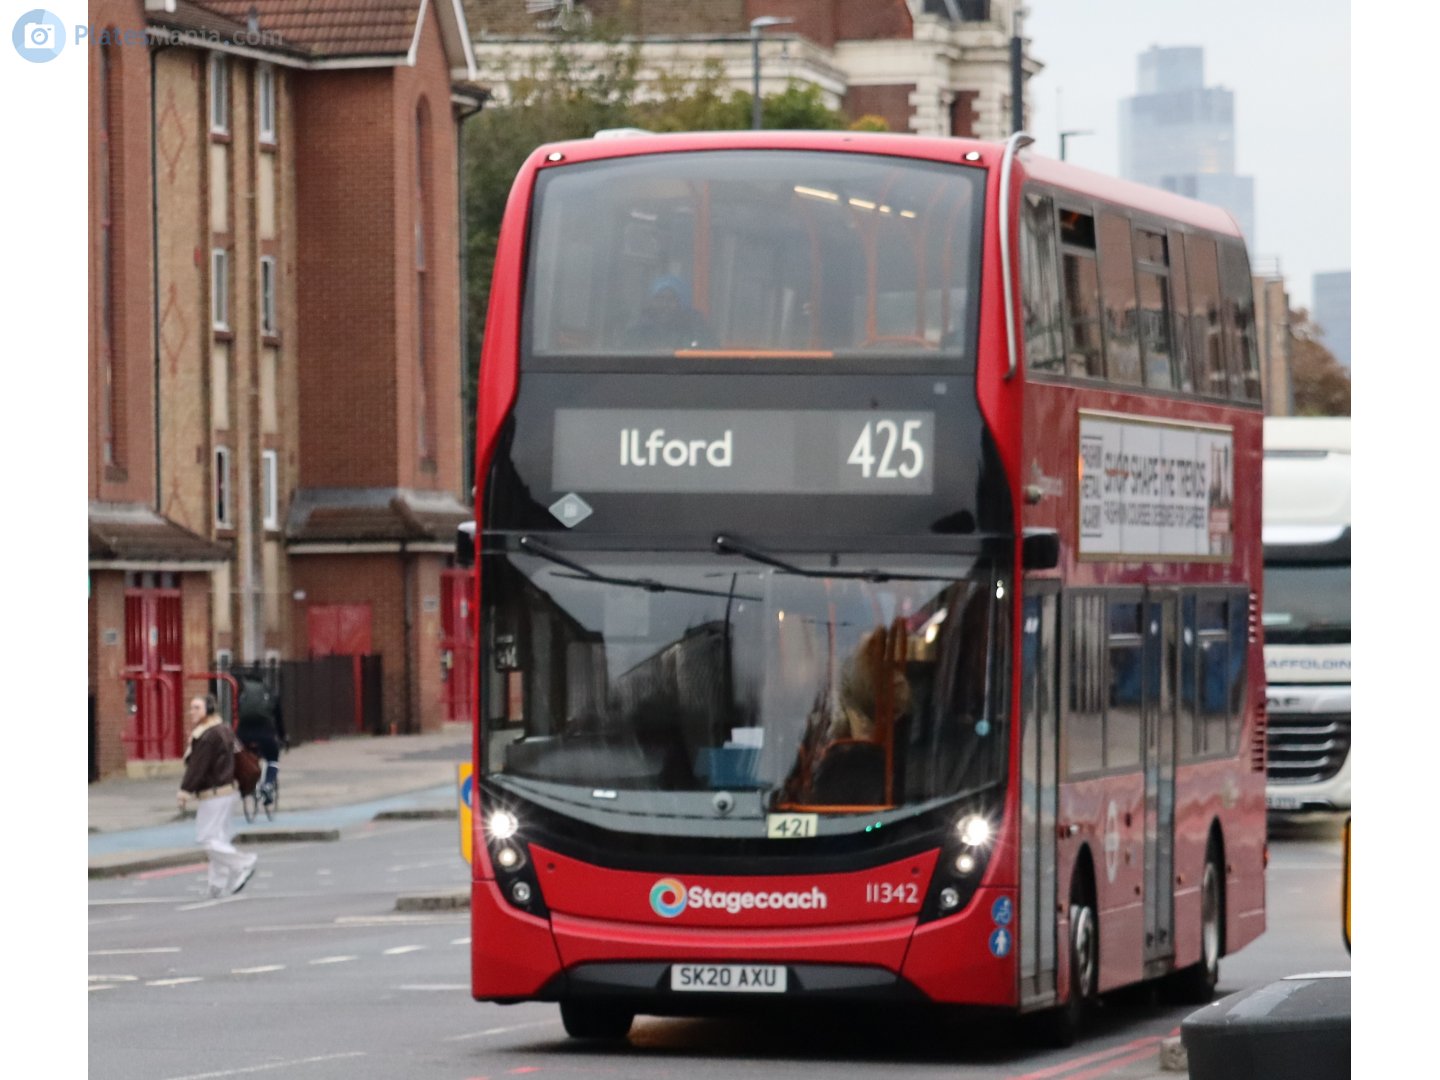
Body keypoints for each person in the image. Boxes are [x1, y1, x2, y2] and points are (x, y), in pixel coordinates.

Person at [177, 695, 258, 898]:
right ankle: (216, 885)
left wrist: (185, 790)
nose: (192, 712)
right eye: (191, 708)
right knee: (218, 838)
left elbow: (198, 766)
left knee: (206, 839)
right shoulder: (224, 729)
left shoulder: (207, 735)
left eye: (197, 708)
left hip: (214, 793)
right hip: (228, 791)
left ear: (209, 709)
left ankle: (243, 863)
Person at [624, 274, 713, 350]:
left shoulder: (695, 330)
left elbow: (709, 354)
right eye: (659, 298)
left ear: (681, 303)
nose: (664, 304)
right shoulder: (637, 330)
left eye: (671, 299)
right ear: (651, 301)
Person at [234, 675, 284, 806]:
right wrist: (283, 737)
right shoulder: (270, 694)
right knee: (273, 758)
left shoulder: (242, 694)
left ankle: (249, 786)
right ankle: (267, 785)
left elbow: (236, 714)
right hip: (265, 734)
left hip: (243, 735)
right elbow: (279, 720)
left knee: (246, 759)